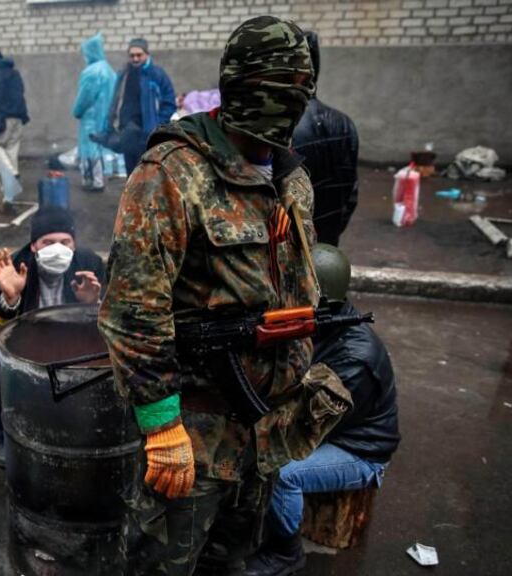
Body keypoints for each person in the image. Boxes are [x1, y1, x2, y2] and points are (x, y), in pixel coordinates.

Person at [98, 16, 352, 574]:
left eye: (297, 93)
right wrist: (163, 427)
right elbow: (131, 311)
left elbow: (297, 283)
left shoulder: (290, 178)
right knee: (163, 565)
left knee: (233, 561)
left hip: (265, 435)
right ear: (239, 86)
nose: (287, 110)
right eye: (274, 92)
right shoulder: (171, 173)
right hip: (193, 439)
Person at [246, 244, 400, 576]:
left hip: (360, 452)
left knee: (281, 471)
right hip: (336, 432)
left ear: (322, 300)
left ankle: (286, 551)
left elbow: (308, 425)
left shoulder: (355, 360)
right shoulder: (327, 325)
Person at [0, 206, 106, 467]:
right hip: (27, 342)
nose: (58, 248)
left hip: (70, 341)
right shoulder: (12, 267)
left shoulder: (88, 264)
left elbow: (110, 327)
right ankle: (4, 429)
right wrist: (9, 300)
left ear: (74, 243)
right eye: (48, 242)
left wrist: (93, 305)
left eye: (65, 242)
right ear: (34, 246)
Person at [292, 32, 360, 246]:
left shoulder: (283, 128)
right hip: (328, 239)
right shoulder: (344, 123)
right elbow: (351, 191)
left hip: (294, 242)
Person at [105, 38, 176, 174]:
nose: (135, 59)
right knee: (131, 174)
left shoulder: (156, 74)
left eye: (139, 55)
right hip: (127, 132)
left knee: (147, 174)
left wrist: (158, 124)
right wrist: (110, 124)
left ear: (147, 54)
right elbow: (115, 101)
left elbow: (169, 102)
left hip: (147, 134)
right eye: (132, 55)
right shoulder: (124, 74)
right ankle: (131, 195)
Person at [72, 33, 117, 192]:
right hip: (105, 116)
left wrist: (76, 111)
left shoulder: (91, 72)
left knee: (88, 148)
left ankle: (93, 181)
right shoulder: (109, 70)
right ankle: (100, 179)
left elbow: (85, 96)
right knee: (99, 146)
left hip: (90, 117)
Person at [0, 49, 30, 176]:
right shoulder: (15, 73)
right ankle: (12, 180)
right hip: (19, 116)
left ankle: (11, 172)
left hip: (4, 117)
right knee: (12, 148)